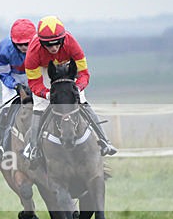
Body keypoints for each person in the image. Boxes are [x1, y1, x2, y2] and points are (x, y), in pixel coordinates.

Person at [22, 15, 117, 160]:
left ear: (63, 39)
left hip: (67, 68)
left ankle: (105, 141)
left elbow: (84, 74)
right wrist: (47, 94)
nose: (53, 48)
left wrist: (78, 89)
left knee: (83, 102)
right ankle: (34, 148)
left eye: (57, 43)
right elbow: (35, 83)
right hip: (44, 70)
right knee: (40, 106)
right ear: (41, 43)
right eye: (48, 45)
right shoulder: (32, 53)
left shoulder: (72, 44)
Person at [0, 18, 36, 162]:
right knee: (8, 107)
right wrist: (16, 86)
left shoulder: (39, 46)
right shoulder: (4, 48)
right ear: (13, 42)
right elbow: (3, 74)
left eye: (27, 44)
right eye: (20, 45)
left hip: (34, 76)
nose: (24, 47)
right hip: (12, 78)